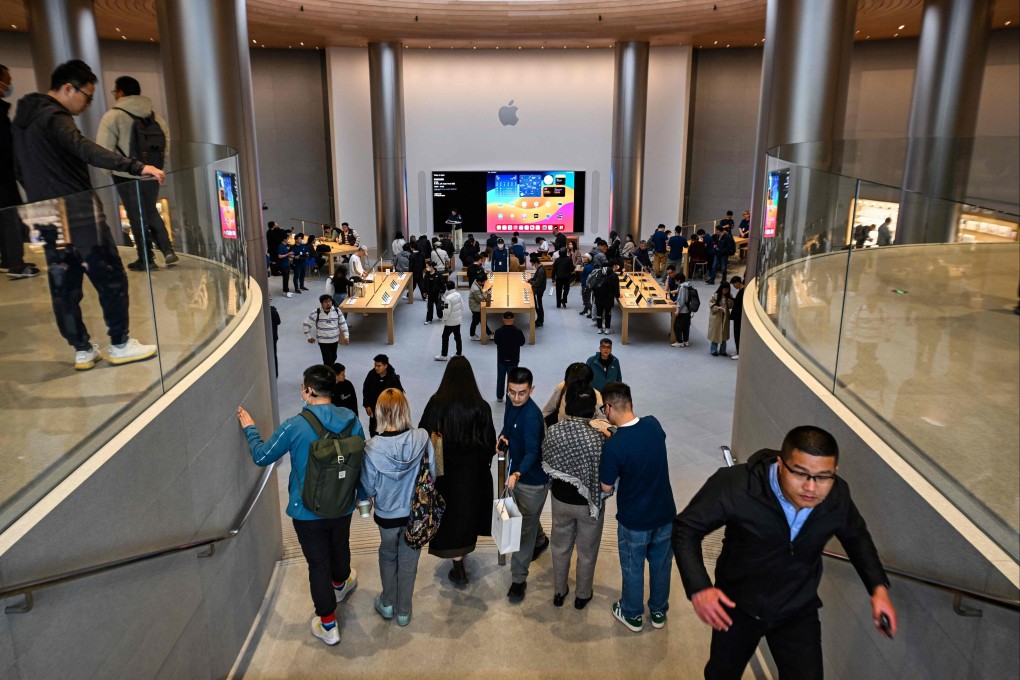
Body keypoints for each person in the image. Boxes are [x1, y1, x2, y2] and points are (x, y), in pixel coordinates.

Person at [674, 426, 896, 679]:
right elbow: (686, 530)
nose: (811, 488)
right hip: (736, 605)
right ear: (781, 464)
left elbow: (857, 537)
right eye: (801, 474)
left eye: (823, 476)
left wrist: (878, 589)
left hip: (797, 607)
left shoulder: (837, 495)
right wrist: (699, 588)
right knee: (722, 673)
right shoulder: (736, 486)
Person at [12, 59, 163, 370]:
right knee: (111, 277)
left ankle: (82, 349)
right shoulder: (56, 117)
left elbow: (17, 169)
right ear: (69, 88)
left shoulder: (22, 121)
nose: (88, 103)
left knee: (63, 283)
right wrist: (136, 166)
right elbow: (86, 149)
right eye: (88, 96)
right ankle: (119, 343)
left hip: (42, 213)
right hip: (77, 211)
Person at [237, 364, 363, 646]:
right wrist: (361, 496)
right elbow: (359, 462)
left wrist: (250, 429)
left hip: (307, 512)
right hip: (343, 504)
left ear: (309, 391)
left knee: (318, 563)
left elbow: (262, 456)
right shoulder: (352, 419)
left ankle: (329, 626)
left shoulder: (295, 426)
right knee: (340, 545)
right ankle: (340, 584)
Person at [598, 381, 676, 633]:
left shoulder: (614, 446)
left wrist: (611, 439)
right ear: (630, 402)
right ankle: (658, 611)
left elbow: (606, 486)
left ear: (608, 408)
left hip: (634, 519)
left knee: (633, 567)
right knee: (661, 565)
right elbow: (644, 444)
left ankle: (631, 614)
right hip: (665, 513)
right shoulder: (654, 425)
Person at [358, 388, 435, 627]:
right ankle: (404, 612)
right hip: (415, 515)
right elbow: (432, 473)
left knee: (388, 555)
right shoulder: (422, 438)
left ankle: (388, 602)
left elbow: (368, 488)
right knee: (409, 562)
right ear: (405, 410)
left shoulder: (371, 447)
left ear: (379, 413)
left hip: (387, 517)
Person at [418, 357, 496, 585]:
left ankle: (457, 562)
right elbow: (489, 443)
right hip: (473, 474)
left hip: (443, 472)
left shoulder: (436, 403)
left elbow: (423, 432)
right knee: (467, 514)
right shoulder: (481, 406)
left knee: (448, 516)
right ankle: (461, 557)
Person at [96, 75, 176, 271]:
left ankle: (146, 258)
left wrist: (108, 171)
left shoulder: (113, 116)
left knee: (135, 214)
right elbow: (166, 145)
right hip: (152, 174)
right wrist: (158, 168)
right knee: (150, 210)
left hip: (126, 175)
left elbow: (103, 150)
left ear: (121, 92)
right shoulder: (156, 117)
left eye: (115, 92)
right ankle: (167, 250)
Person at [543, 381, 607, 609]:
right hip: (588, 504)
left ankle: (559, 592)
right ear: (592, 408)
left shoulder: (554, 430)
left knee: (560, 548)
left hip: (560, 499)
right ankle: (582, 595)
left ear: (568, 405)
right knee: (587, 552)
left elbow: (547, 461)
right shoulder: (599, 437)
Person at [500, 367, 550, 603]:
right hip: (515, 476)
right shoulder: (512, 405)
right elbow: (508, 428)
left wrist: (518, 472)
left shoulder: (532, 416)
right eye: (511, 392)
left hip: (532, 482)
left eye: (522, 393)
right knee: (525, 521)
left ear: (532, 390)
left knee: (522, 531)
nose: (516, 398)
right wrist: (503, 437)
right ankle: (540, 540)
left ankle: (518, 579)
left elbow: (533, 451)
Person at [0, 64, 39, 279]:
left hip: (5, 176)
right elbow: (7, 150)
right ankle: (15, 263)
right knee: (10, 217)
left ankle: (8, 260)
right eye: (7, 80)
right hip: (4, 177)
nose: (9, 85)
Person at [363, 354, 404, 437]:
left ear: (385, 366)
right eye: (375, 365)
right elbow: (366, 390)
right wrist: (367, 405)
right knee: (373, 428)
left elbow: (399, 394)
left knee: (389, 429)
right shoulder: (371, 375)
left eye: (379, 366)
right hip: (374, 407)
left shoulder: (393, 378)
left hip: (388, 409)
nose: (376, 368)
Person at [303, 294, 350, 366]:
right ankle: (328, 374)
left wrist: (346, 336)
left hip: (334, 340)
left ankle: (327, 372)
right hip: (323, 341)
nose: (328, 303)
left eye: (329, 301)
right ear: (321, 303)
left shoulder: (337, 311)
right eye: (325, 302)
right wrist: (308, 337)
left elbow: (343, 323)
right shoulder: (316, 313)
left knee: (334, 357)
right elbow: (306, 324)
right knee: (327, 360)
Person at [493, 311, 525, 402]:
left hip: (501, 358)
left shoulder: (498, 331)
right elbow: (522, 343)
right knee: (512, 380)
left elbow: (496, 342)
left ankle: (499, 396)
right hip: (514, 359)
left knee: (500, 378)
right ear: (513, 319)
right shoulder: (518, 332)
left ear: (503, 319)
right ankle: (509, 397)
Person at [435, 280, 464, 361]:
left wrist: (445, 319)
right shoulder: (458, 295)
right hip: (458, 321)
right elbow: (462, 306)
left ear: (447, 288)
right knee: (457, 337)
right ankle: (459, 353)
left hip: (450, 322)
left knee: (445, 337)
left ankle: (444, 355)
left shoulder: (448, 298)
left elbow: (447, 311)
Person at [593, 258, 621, 335]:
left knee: (599, 313)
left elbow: (594, 284)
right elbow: (616, 288)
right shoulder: (614, 275)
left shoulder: (598, 273)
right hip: (608, 298)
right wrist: (618, 295)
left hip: (598, 297)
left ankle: (599, 328)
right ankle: (607, 329)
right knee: (608, 313)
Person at [708, 282, 734, 356]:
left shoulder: (729, 296)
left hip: (725, 317)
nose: (725, 291)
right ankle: (713, 350)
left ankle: (723, 350)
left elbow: (731, 306)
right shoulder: (715, 296)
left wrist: (730, 302)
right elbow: (711, 305)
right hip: (716, 317)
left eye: (727, 290)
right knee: (715, 334)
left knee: (724, 334)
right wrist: (718, 308)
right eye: (724, 290)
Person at [671, 274, 695, 348]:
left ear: (679, 280)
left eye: (676, 281)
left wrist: (678, 309)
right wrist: (675, 302)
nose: (675, 282)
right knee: (686, 326)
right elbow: (685, 298)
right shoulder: (688, 285)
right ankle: (686, 341)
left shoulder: (682, 287)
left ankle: (679, 342)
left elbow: (682, 300)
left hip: (683, 310)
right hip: (688, 309)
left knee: (677, 326)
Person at [468, 270, 493, 341]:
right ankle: (473, 335)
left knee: (480, 321)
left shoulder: (476, 282)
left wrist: (484, 292)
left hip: (475, 305)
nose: (484, 283)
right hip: (475, 307)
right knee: (479, 321)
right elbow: (480, 299)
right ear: (479, 282)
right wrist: (486, 294)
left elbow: (480, 294)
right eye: (483, 282)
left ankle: (489, 333)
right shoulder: (475, 289)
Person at [422, 259, 445, 325]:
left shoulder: (439, 274)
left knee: (439, 306)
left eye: (427, 267)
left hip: (438, 294)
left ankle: (440, 316)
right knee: (429, 307)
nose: (426, 268)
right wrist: (424, 292)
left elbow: (442, 284)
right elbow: (424, 284)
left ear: (431, 266)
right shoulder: (426, 275)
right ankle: (429, 319)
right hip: (430, 293)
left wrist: (442, 291)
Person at [527, 252, 547, 327]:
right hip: (538, 289)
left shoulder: (541, 270)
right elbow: (535, 277)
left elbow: (538, 282)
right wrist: (530, 279)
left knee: (538, 306)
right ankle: (538, 319)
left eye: (532, 264)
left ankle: (540, 321)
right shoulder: (539, 268)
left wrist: (530, 281)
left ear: (535, 263)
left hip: (539, 290)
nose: (532, 266)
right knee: (537, 306)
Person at [729, 276, 745, 360]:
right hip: (737, 316)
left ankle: (739, 351)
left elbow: (739, 304)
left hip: (738, 316)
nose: (734, 286)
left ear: (738, 282)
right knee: (736, 333)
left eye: (734, 284)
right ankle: (738, 350)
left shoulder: (742, 291)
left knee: (737, 333)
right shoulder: (741, 291)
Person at [578, 253, 594, 317]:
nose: (583, 258)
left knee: (585, 300)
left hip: (586, 285)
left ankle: (592, 312)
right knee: (587, 298)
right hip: (587, 285)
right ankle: (585, 310)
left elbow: (587, 278)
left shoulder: (588, 267)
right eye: (583, 257)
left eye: (585, 257)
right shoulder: (588, 265)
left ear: (589, 259)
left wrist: (585, 286)